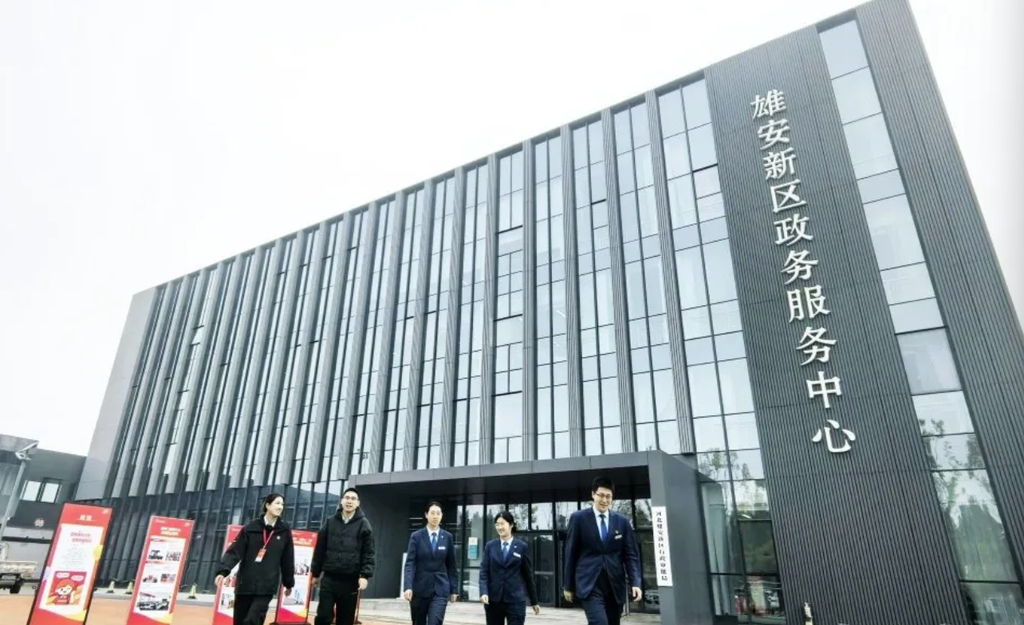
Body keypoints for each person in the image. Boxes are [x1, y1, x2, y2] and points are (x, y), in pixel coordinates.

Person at [562, 477, 642, 625]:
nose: (604, 500)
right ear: (593, 494)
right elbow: (570, 553)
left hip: (614, 584)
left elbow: (631, 555)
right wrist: (568, 585)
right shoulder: (579, 518)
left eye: (608, 496)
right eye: (601, 495)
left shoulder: (622, 522)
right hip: (589, 583)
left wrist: (635, 582)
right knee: (599, 622)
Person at [214, 493, 296, 625]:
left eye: (282, 504)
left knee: (253, 620)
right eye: (277, 503)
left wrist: (288, 583)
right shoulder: (251, 528)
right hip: (245, 584)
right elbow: (235, 550)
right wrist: (223, 571)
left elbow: (288, 559)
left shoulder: (284, 530)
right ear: (267, 505)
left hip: (266, 585)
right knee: (240, 621)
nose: (280, 507)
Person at [311, 487, 376, 625]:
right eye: (347, 498)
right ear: (341, 501)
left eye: (353, 499)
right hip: (329, 578)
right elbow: (320, 549)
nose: (349, 501)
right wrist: (315, 573)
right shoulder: (330, 522)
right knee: (323, 616)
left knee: (345, 620)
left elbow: (369, 552)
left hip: (350, 580)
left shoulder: (364, 524)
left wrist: (364, 575)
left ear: (358, 503)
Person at [479, 510, 540, 625]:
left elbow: (528, 576)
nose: (499, 527)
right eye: (497, 524)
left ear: (511, 525)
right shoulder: (490, 546)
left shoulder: (522, 547)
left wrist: (534, 601)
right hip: (494, 601)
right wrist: (483, 592)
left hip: (515, 601)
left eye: (502, 524)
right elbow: (484, 572)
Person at [403, 501, 459, 625]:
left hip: (440, 589)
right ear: (426, 515)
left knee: (435, 622)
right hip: (419, 589)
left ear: (442, 515)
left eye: (438, 513)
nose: (435, 516)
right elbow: (410, 563)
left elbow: (452, 565)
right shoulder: (416, 537)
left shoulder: (447, 537)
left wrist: (454, 589)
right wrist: (408, 586)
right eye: (432, 513)